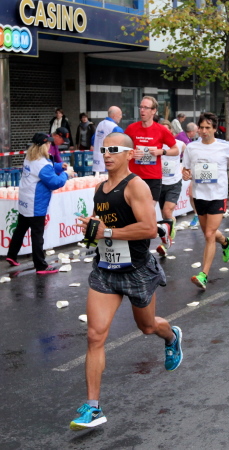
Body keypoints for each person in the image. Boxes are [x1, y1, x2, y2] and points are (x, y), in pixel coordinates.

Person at [69, 132, 182, 431]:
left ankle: (171, 337)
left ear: (129, 154)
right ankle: (93, 408)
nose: (107, 154)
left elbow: (148, 228)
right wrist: (91, 230)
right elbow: (100, 225)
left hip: (136, 270)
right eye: (104, 149)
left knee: (147, 327)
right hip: (106, 270)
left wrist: (106, 232)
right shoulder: (100, 189)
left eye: (114, 149)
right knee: (95, 335)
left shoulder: (136, 186)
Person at [182, 112, 229, 290]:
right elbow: (186, 169)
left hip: (217, 195)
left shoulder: (224, 146)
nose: (204, 131)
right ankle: (226, 242)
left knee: (209, 234)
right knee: (208, 233)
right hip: (199, 196)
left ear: (215, 129)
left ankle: (203, 274)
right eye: (201, 128)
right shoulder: (191, 147)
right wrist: (185, 174)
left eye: (208, 128)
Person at [6, 133, 68, 272]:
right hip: (36, 203)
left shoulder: (30, 157)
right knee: (37, 235)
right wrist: (66, 174)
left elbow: (45, 169)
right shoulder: (42, 163)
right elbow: (54, 182)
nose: (50, 145)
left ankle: (12, 255)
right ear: (44, 145)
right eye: (49, 143)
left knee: (20, 229)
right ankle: (40, 266)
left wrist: (59, 166)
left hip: (25, 200)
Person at [125, 96, 179, 252]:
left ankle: (144, 251)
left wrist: (162, 151)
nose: (142, 110)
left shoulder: (161, 129)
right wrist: (131, 153)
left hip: (153, 178)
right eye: (141, 107)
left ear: (154, 111)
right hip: (133, 178)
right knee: (134, 216)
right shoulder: (131, 128)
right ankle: (161, 231)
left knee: (145, 216)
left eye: (146, 108)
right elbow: (122, 147)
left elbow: (176, 149)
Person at [156, 121, 185, 256]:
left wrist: (187, 168)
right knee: (165, 215)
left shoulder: (179, 144)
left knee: (167, 211)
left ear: (171, 132)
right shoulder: (156, 145)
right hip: (159, 183)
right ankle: (168, 236)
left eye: (166, 131)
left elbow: (189, 154)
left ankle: (167, 241)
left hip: (174, 182)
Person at [91, 107, 124, 173]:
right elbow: (121, 146)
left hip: (96, 164)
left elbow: (93, 141)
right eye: (120, 115)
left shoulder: (100, 125)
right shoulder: (116, 128)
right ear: (114, 116)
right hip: (109, 165)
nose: (121, 117)